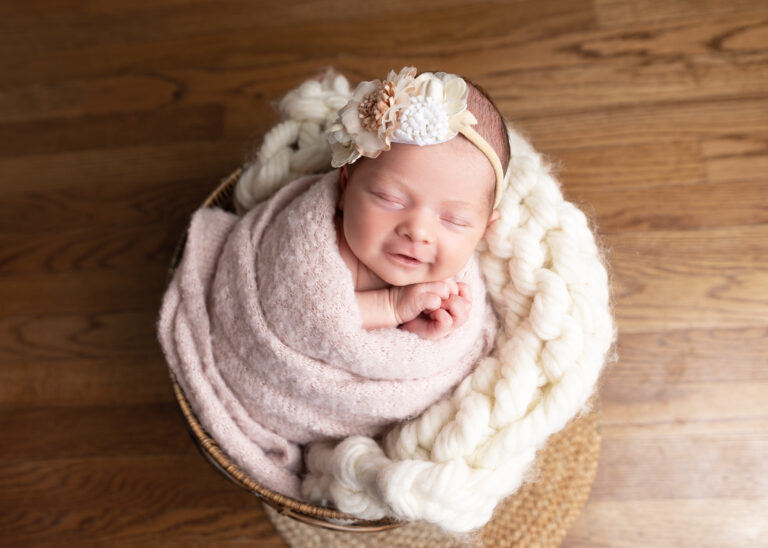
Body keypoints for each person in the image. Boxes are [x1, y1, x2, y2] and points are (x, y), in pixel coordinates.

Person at [328, 67, 511, 339]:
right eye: (390, 199)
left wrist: (425, 331)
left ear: (484, 230)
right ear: (345, 186)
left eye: (454, 220)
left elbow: (449, 354)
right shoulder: (326, 251)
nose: (418, 232)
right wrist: (392, 308)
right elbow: (302, 313)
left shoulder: (451, 290)